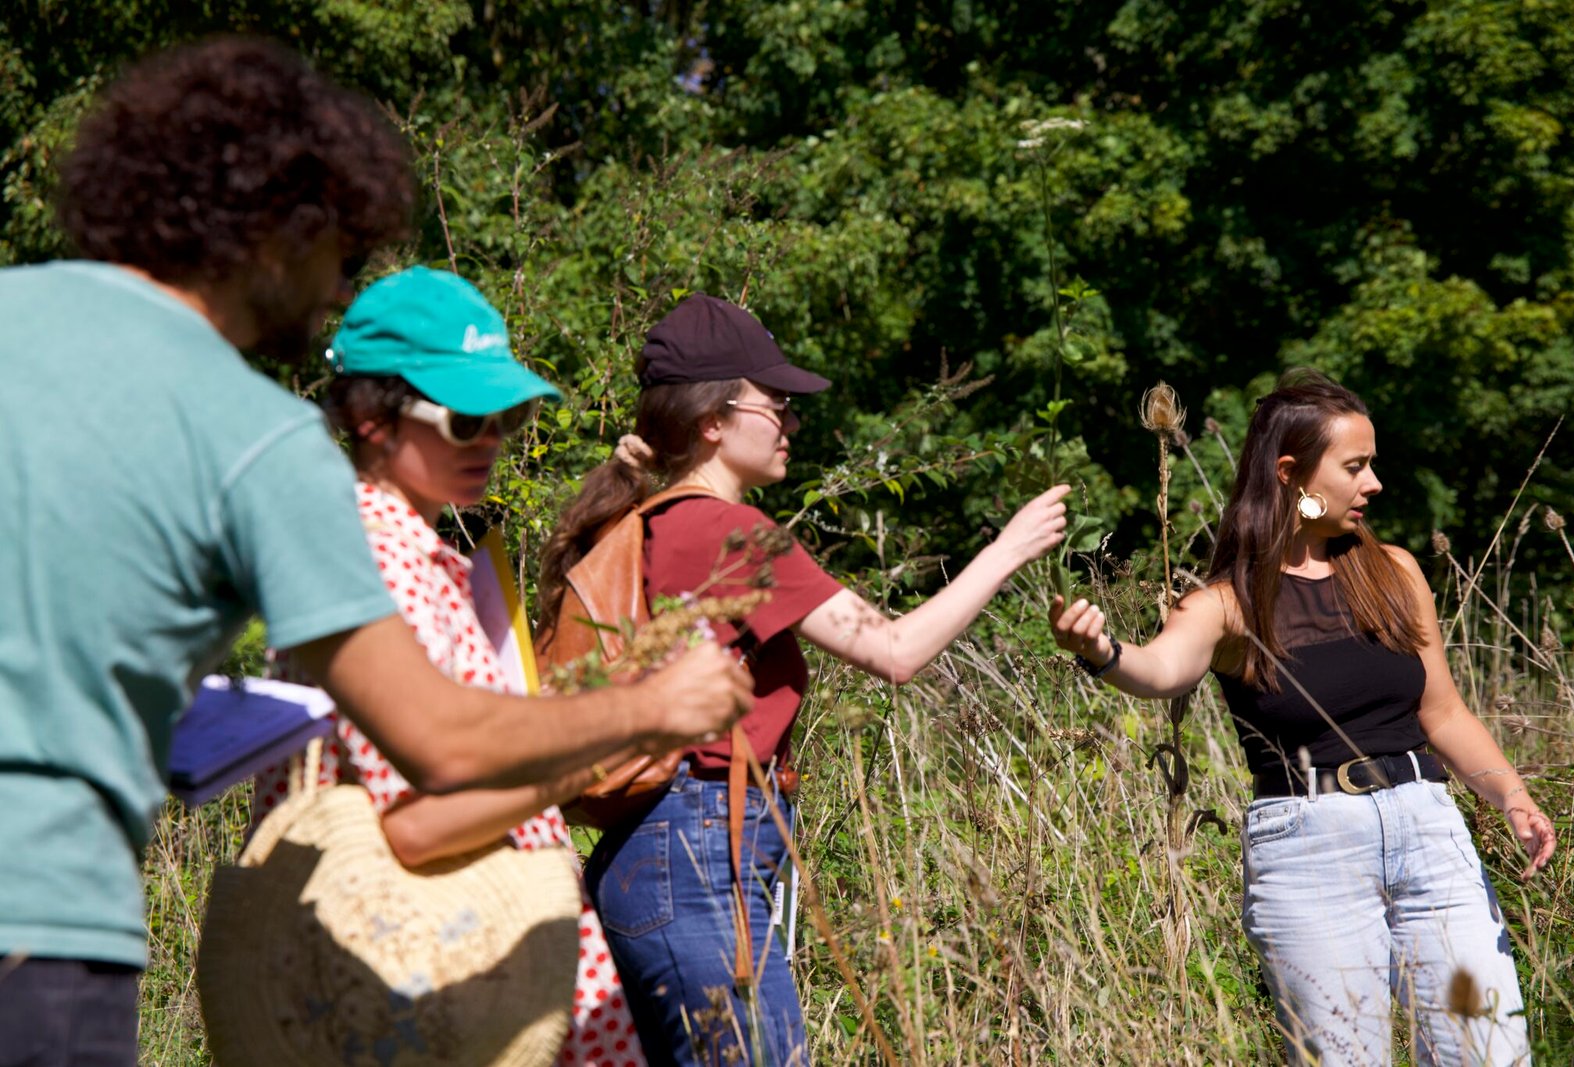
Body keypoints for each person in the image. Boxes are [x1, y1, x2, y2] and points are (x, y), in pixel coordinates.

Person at [0, 38, 748, 1066]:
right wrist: (655, 706)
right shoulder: (247, 430)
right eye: (341, 255)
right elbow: (435, 742)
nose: (331, 302)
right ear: (278, 227)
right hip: (41, 920)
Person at [538, 293, 1070, 1066]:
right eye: (776, 403)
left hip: (649, 863)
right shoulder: (728, 531)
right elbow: (894, 650)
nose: (792, 421)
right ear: (711, 420)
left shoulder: (652, 521)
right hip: (696, 864)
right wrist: (1008, 549)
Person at [1050, 369, 1556, 1066]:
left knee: (1489, 1052)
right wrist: (1101, 650)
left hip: (1432, 831)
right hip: (1311, 849)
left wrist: (1511, 794)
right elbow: (1160, 669)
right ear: (1292, 475)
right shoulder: (1228, 603)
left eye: (1371, 463)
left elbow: (1443, 712)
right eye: (1355, 466)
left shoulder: (1397, 573)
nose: (1374, 483)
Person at [252, 266, 647, 1066]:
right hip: (435, 983)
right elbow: (416, 827)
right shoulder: (376, 563)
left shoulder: (422, 557)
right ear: (371, 418)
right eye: (468, 418)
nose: (495, 436)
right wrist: (614, 733)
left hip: (472, 967)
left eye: (510, 414)